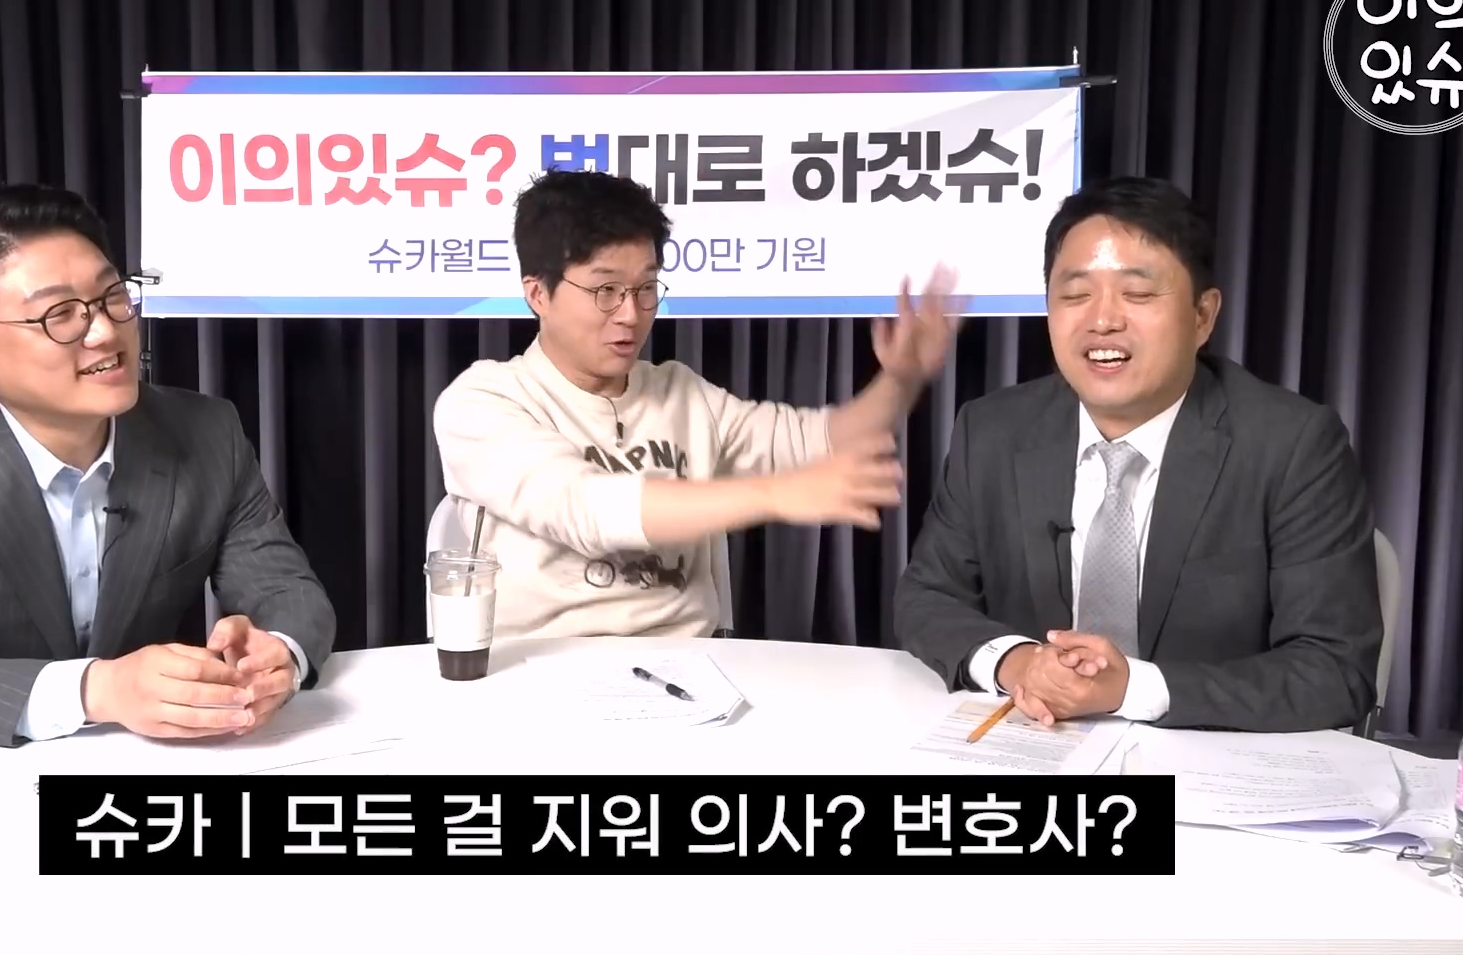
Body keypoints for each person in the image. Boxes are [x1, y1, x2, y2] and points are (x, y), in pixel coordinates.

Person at [0, 183, 336, 749]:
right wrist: (96, 689)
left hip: (145, 765)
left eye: (113, 296)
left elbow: (287, 590)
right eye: (59, 315)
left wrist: (278, 655)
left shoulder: (208, 432)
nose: (106, 332)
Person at [893, 176, 1383, 733]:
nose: (1102, 320)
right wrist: (1018, 662)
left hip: (1209, 759)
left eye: (1139, 294)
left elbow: (1334, 668)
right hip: (1039, 747)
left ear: (1202, 316)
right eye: (1075, 295)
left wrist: (1129, 689)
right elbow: (926, 596)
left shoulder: (1292, 445)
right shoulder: (992, 432)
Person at [433, 168, 959, 641]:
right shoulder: (484, 401)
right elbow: (587, 509)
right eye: (605, 290)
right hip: (540, 670)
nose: (630, 314)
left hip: (690, 668)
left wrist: (900, 380)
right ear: (538, 294)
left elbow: (816, 441)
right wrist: (775, 494)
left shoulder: (680, 393)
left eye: (646, 288)